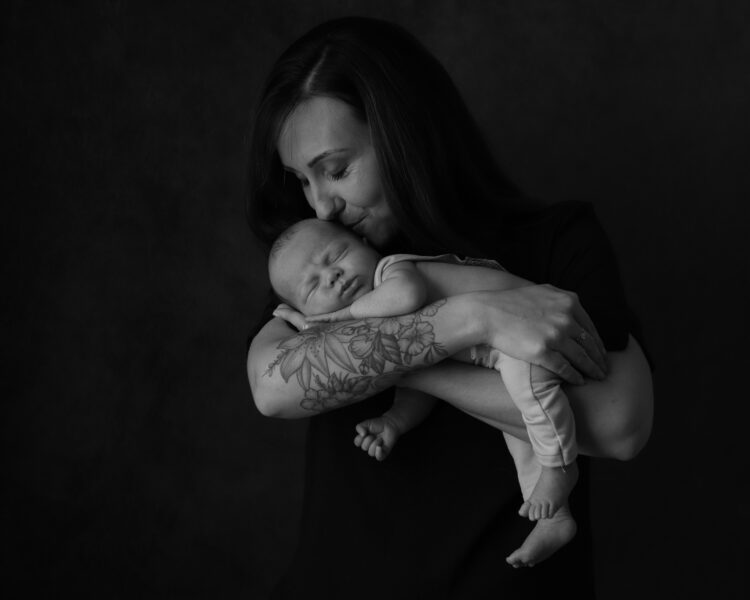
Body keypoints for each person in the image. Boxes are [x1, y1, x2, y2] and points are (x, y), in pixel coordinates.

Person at [246, 16, 653, 599]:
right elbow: (273, 386)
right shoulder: (331, 266)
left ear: (404, 135)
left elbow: (621, 422)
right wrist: (475, 321)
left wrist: (408, 361)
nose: (321, 206)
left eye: (336, 170)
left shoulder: (555, 241)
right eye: (302, 182)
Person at [267, 217, 586, 567]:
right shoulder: (389, 322)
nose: (332, 275)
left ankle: (560, 469)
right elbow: (418, 375)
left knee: (531, 393)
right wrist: (396, 421)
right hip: (502, 353)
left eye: (337, 254)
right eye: (313, 287)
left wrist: (339, 319)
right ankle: (555, 518)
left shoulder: (394, 270)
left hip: (530, 331)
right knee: (521, 438)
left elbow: (405, 298)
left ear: (364, 242)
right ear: (303, 311)